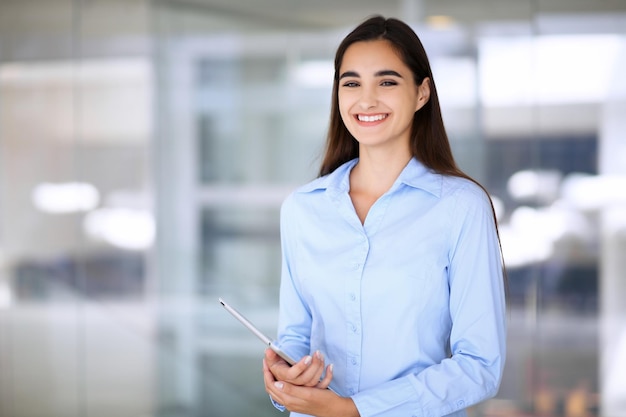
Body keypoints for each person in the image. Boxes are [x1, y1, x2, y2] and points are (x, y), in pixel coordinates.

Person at [262, 15, 507, 417]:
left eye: (387, 82)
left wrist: (354, 409)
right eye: (352, 82)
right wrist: (284, 375)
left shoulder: (461, 206)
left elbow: (480, 366)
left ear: (422, 93)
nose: (367, 99)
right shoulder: (303, 209)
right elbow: (296, 335)